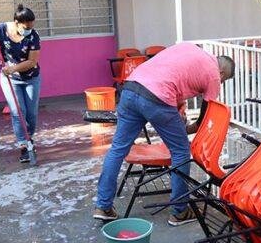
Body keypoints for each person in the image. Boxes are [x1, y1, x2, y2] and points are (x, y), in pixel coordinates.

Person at [94, 42, 235, 225]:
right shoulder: (214, 75)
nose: (220, 82)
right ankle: (180, 211)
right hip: (157, 97)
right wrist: (194, 127)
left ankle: (103, 206)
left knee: (117, 149)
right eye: (223, 81)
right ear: (222, 73)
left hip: (131, 88)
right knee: (181, 151)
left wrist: (177, 116)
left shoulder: (189, 48)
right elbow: (207, 112)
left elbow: (170, 74)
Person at [0, 4, 42, 163]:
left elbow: (32, 61)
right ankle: (24, 145)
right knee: (17, 111)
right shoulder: (1, 31)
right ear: (16, 22)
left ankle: (29, 137)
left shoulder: (33, 36)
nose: (29, 28)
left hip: (31, 78)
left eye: (31, 25)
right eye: (26, 26)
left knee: (31, 114)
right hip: (10, 80)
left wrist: (13, 68)